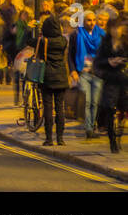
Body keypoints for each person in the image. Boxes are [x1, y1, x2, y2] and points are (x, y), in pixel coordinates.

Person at [68, 9, 106, 139]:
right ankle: (89, 128)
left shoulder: (102, 35)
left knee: (95, 102)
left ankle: (91, 126)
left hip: (98, 72)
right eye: (89, 20)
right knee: (87, 101)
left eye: (94, 20)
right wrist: (72, 70)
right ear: (83, 21)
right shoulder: (76, 34)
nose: (92, 23)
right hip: (83, 72)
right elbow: (70, 55)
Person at [36, 15, 70, 146]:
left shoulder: (43, 41)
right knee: (60, 108)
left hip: (47, 76)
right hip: (61, 76)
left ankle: (49, 138)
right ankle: (60, 138)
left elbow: (32, 45)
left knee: (48, 108)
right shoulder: (63, 41)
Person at [93, 21, 128, 152]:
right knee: (109, 110)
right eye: (114, 28)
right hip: (110, 81)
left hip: (124, 81)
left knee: (124, 109)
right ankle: (112, 140)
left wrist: (122, 61)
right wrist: (109, 61)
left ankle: (119, 132)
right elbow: (97, 62)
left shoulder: (125, 43)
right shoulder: (105, 44)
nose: (116, 31)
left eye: (118, 28)